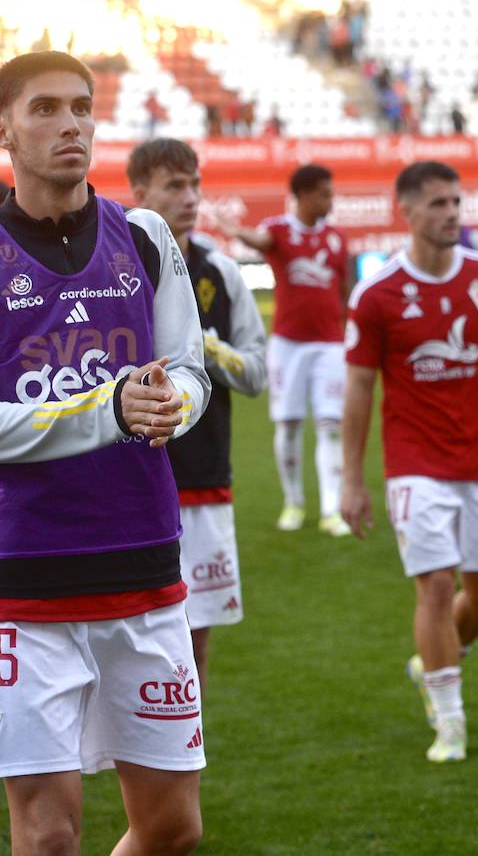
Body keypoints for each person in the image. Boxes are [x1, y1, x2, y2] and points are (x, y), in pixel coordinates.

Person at [0, 51, 210, 855]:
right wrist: (107, 410)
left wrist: (170, 405)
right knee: (49, 836)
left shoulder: (146, 235)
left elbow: (188, 370)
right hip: (25, 584)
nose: (71, 125)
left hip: (146, 572)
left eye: (82, 107)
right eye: (46, 108)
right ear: (7, 129)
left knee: (171, 828)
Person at [340, 161, 478, 761]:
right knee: (436, 584)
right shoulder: (377, 294)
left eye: (456, 202)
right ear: (406, 212)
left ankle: (432, 663)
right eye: (437, 204)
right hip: (414, 465)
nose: (451, 214)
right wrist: (351, 480)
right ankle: (450, 719)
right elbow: (359, 389)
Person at [127, 137, 267, 687]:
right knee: (132, 635)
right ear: (140, 193)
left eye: (195, 184)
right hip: (133, 476)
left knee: (195, 635)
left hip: (205, 479)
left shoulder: (221, 272)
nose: (191, 198)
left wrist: (203, 348)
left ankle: (185, 762)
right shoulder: (111, 264)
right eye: (174, 186)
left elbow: (256, 373)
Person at [217, 164, 353, 536]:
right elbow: (259, 240)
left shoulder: (338, 238)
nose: (330, 199)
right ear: (305, 195)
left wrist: (345, 333)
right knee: (290, 424)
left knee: (330, 425)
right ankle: (293, 503)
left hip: (329, 346)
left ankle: (330, 510)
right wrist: (234, 232)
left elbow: (345, 292)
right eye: (325, 193)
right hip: (288, 345)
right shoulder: (280, 229)